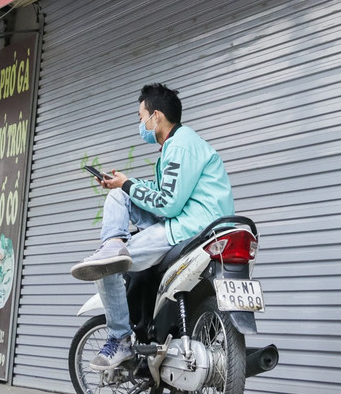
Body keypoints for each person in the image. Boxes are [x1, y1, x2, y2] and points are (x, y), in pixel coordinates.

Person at [70, 83, 234, 370]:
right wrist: (122, 184)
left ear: (155, 116)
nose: (140, 124)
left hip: (188, 228)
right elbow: (162, 193)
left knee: (106, 266)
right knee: (118, 194)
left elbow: (168, 204)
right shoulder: (181, 144)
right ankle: (114, 242)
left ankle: (120, 338)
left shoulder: (180, 145)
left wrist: (127, 184)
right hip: (201, 224)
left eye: (140, 116)